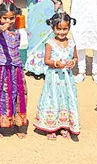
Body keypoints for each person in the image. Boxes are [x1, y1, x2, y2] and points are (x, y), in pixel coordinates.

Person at [34, 12, 80, 140]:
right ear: (53, 28)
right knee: (52, 98)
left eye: (65, 29)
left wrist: (73, 62)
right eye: (58, 29)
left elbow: (75, 57)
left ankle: (64, 125)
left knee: (66, 98)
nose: (62, 32)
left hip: (67, 79)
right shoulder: (50, 43)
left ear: (69, 28)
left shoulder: (72, 43)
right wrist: (55, 63)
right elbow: (46, 60)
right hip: (53, 78)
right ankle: (51, 127)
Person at [0, 2, 28, 139]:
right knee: (1, 96)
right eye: (5, 18)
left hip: (16, 67)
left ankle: (17, 124)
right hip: (2, 68)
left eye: (11, 18)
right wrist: (2, 27)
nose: (8, 21)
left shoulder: (17, 31)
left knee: (18, 95)